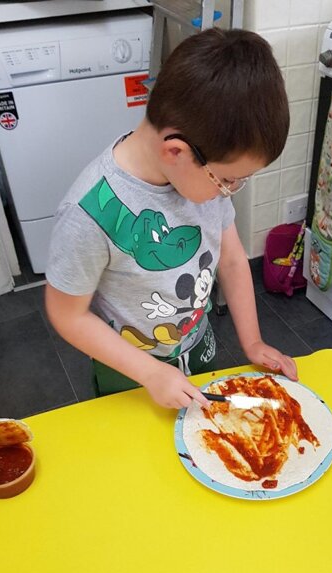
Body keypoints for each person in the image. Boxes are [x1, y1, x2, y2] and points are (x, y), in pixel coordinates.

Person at [45, 27, 298, 410]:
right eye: (228, 180)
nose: (229, 190)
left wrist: (253, 342)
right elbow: (68, 315)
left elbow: (231, 259)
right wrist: (149, 373)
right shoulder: (89, 213)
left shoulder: (202, 177)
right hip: (127, 370)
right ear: (176, 152)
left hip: (196, 345)